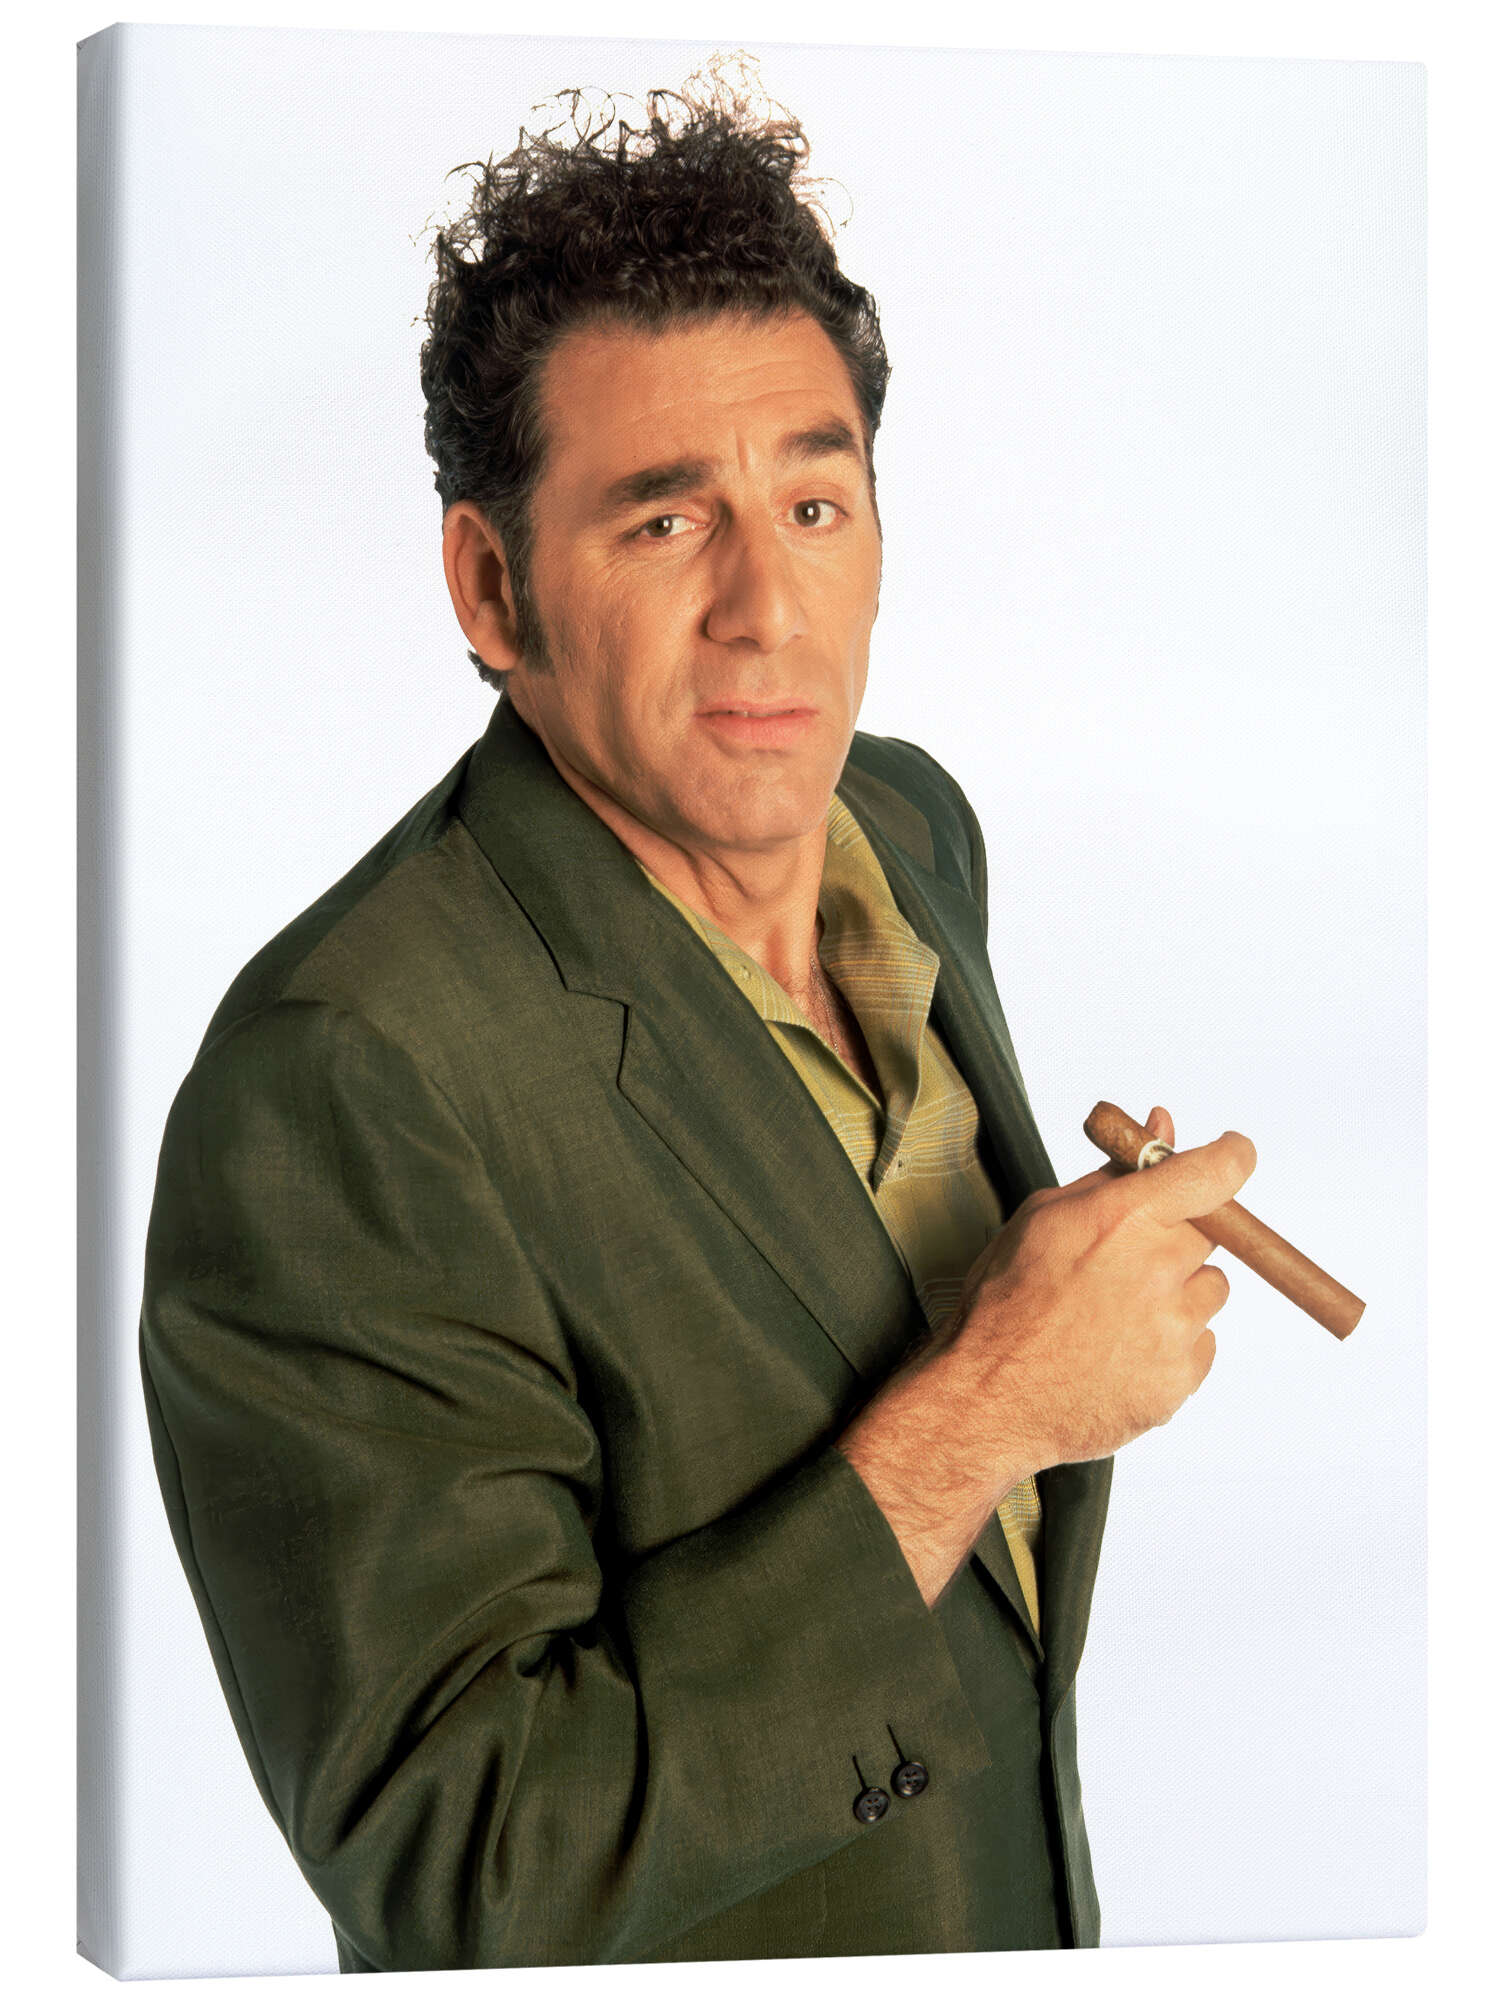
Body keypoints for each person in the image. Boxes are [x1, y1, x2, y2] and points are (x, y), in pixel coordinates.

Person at [138, 70, 1254, 1974]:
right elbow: (466, 1873)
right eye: (665, 525)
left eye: (814, 505)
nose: (768, 609)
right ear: (493, 585)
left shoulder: (906, 827)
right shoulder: (337, 1083)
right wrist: (995, 1400)